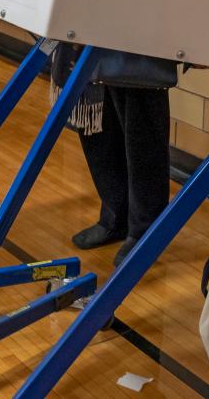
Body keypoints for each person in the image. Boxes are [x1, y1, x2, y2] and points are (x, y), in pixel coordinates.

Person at [56, 48, 174, 267]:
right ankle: (115, 216)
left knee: (141, 123)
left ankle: (145, 230)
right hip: (91, 23)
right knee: (99, 120)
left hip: (142, 32)